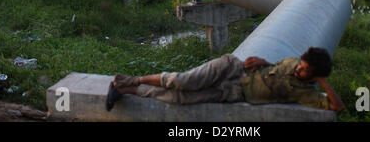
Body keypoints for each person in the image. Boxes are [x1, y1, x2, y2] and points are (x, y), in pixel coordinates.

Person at [106, 47, 345, 113]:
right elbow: (279, 66)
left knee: (177, 98)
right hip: (231, 69)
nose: (298, 71)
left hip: (232, 94)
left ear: (315, 76)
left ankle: (124, 90)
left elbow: (337, 107)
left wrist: (323, 82)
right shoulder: (294, 63)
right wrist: (263, 61)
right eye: (301, 66)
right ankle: (130, 80)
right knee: (182, 81)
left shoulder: (307, 94)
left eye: (304, 72)